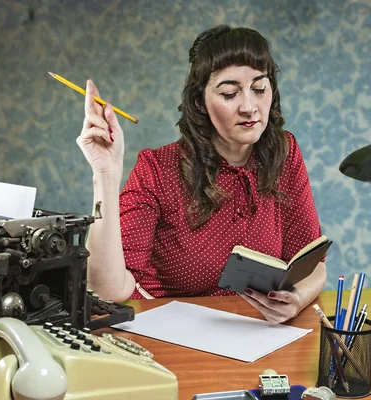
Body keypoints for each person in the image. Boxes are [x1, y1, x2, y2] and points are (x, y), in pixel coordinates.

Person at [76, 25, 327, 324]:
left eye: (259, 89)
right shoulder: (157, 168)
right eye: (230, 93)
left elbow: (313, 263)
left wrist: (296, 300)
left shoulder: (284, 152)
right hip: (169, 335)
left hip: (255, 333)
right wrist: (105, 174)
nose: (250, 107)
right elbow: (107, 290)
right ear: (200, 102)